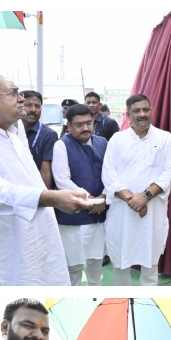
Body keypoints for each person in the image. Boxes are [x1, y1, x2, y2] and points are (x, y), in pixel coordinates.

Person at [0, 72, 91, 285]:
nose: (21, 99)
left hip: (29, 241)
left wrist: (55, 196)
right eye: (13, 93)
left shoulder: (12, 134)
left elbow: (27, 181)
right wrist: (51, 199)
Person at [101, 93, 171, 286]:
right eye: (136, 111)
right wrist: (133, 200)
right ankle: (121, 302)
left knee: (150, 265)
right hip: (122, 212)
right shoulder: (117, 139)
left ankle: (148, 300)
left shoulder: (165, 138)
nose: (142, 114)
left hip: (152, 213)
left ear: (151, 110)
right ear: (128, 114)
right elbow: (109, 174)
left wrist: (145, 197)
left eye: (145, 109)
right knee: (120, 264)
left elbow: (169, 172)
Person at [52, 103, 109, 286]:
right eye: (79, 124)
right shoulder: (61, 145)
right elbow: (62, 180)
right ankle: (72, 305)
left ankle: (96, 302)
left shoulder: (103, 142)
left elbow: (112, 174)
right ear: (69, 125)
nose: (85, 128)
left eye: (89, 123)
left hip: (99, 215)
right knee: (73, 267)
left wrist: (104, 197)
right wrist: (91, 200)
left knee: (95, 263)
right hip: (73, 216)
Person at [19, 90, 58, 189]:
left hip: (35, 190)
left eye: (37, 106)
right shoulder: (9, 130)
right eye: (28, 105)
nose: (33, 110)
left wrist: (44, 201)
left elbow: (46, 172)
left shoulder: (48, 135)